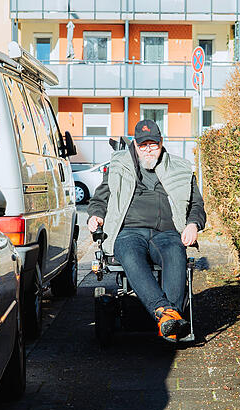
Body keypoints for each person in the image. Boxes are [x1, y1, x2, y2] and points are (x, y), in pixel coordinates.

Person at [87, 119, 206, 341]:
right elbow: (100, 199)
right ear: (134, 145)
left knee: (175, 253)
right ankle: (165, 313)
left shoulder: (180, 168)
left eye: (153, 144)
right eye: (143, 145)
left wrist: (192, 224)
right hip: (129, 231)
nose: (148, 149)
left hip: (168, 232)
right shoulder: (118, 166)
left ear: (161, 143)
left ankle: (167, 319)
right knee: (129, 254)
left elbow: (197, 205)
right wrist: (95, 215)